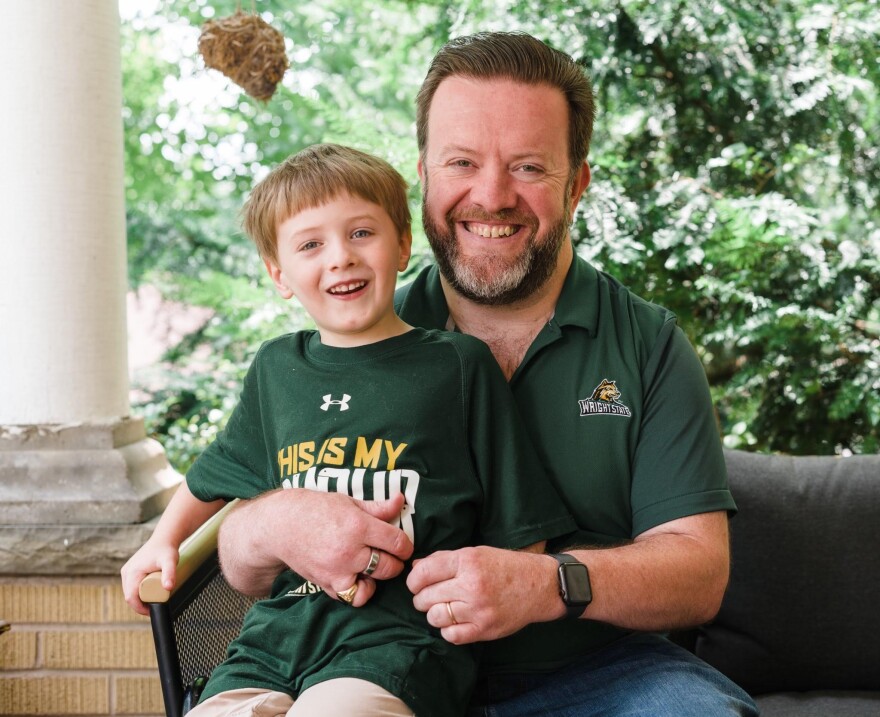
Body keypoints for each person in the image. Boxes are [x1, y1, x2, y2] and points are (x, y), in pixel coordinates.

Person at [215, 33, 760, 716]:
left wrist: (545, 582)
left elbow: (698, 572)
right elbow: (238, 558)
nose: (492, 196)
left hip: (591, 671)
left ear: (578, 183)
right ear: (425, 174)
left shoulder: (646, 344)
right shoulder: (348, 327)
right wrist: (271, 523)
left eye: (528, 166)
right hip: (370, 662)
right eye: (462, 162)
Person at [121, 143, 575, 717]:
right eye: (311, 244)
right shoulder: (277, 369)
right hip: (272, 640)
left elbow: (520, 524)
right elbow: (216, 474)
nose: (340, 258)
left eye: (361, 233)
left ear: (403, 245)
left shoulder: (458, 366)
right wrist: (161, 542)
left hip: (396, 642)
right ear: (279, 274)